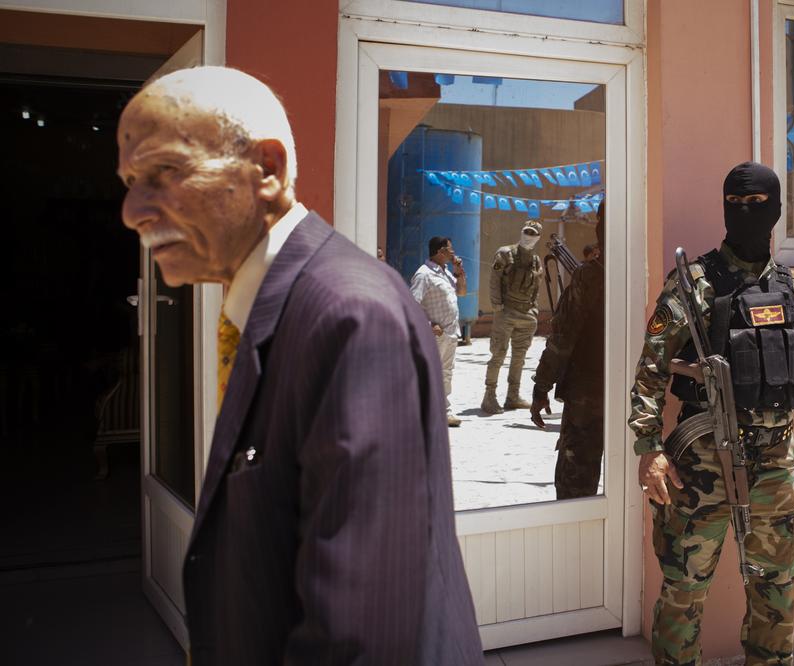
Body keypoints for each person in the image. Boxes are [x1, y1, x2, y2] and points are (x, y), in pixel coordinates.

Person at [117, 66, 482, 665]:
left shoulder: (350, 318)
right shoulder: (269, 306)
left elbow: (360, 637)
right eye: (132, 182)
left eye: (164, 173)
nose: (133, 211)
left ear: (267, 168)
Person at [628, 162, 794, 666]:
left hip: (775, 467)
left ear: (776, 209)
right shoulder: (695, 283)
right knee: (683, 593)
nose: (746, 212)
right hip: (700, 466)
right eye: (736, 203)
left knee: (776, 594)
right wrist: (649, 449)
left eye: (757, 203)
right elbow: (651, 369)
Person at [530, 203, 605, 499]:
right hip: (627, 396)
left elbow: (562, 339)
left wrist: (541, 387)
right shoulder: (636, 270)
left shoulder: (590, 277)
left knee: (575, 488)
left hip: (588, 396)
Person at [481, 219, 544, 414]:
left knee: (519, 357)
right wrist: (497, 306)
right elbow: (494, 280)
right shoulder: (505, 253)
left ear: (538, 238)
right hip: (506, 312)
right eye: (527, 232)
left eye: (533, 234)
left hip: (526, 314)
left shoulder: (536, 260)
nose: (529, 236)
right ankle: (489, 396)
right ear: (521, 232)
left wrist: (534, 310)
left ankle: (513, 396)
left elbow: (536, 287)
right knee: (498, 354)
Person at [411, 236, 466, 427]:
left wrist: (459, 273)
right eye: (450, 249)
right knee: (428, 373)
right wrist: (428, 324)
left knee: (446, 372)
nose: (453, 252)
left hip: (450, 332)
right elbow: (411, 303)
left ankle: (444, 410)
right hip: (435, 334)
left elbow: (461, 292)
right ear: (440, 251)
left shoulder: (446, 272)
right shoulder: (423, 274)